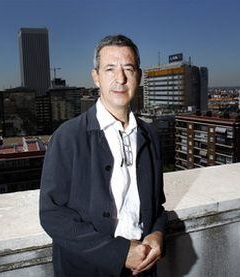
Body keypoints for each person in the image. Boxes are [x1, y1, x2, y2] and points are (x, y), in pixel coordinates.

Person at [40, 34, 167, 277]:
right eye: (110, 69)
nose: (120, 78)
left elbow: (157, 205)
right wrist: (118, 253)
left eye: (128, 69)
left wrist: (158, 233)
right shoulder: (67, 137)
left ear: (138, 77)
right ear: (96, 77)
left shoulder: (150, 136)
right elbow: (52, 214)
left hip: (143, 270)